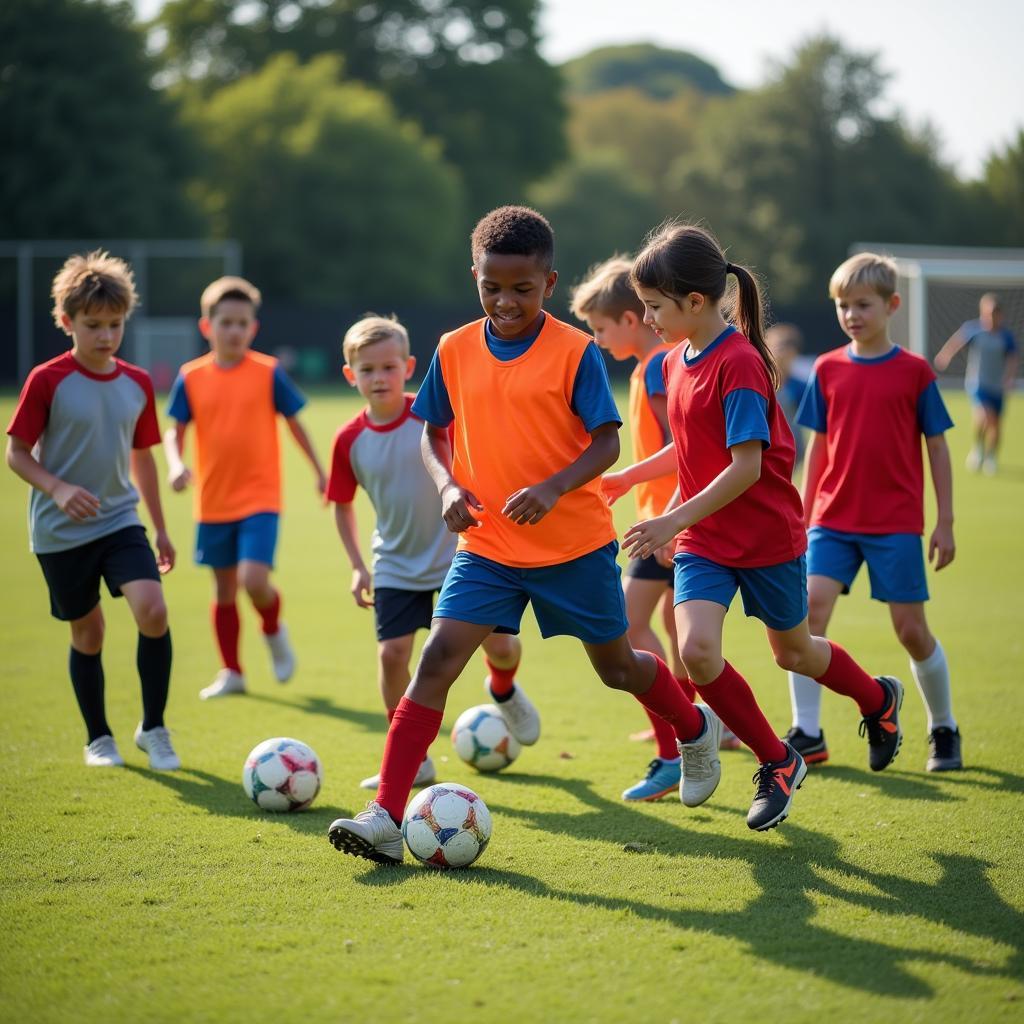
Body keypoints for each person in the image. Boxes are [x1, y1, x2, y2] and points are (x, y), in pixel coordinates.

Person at [328, 205, 719, 864]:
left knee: (617, 667)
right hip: (488, 547)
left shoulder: (574, 351)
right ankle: (386, 815)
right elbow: (433, 432)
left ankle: (692, 726)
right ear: (474, 276)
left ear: (550, 282)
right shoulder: (453, 349)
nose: (506, 301)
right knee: (436, 662)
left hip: (573, 546)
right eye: (492, 287)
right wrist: (450, 487)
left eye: (523, 288)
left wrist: (552, 487)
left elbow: (604, 443)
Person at [604, 223, 905, 828]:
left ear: (694, 301)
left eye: (656, 307)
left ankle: (878, 699)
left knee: (794, 653)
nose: (648, 317)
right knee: (695, 650)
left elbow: (743, 469)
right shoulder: (676, 361)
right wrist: (628, 478)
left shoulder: (738, 363)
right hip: (704, 542)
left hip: (766, 539)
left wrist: (669, 519)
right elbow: (693, 452)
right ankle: (777, 759)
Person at [328, 313, 527, 790]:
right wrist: (358, 566)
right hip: (394, 564)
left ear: (409, 366)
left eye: (389, 367)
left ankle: (504, 687)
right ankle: (410, 758)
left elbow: (474, 462)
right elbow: (341, 506)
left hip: (460, 556)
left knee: (499, 646)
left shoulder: (433, 419)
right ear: (350, 375)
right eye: (368, 369)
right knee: (393, 655)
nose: (380, 378)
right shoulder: (347, 439)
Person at [570, 256, 740, 802]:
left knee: (629, 626)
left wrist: (667, 518)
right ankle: (702, 723)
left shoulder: (665, 366)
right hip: (665, 518)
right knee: (677, 636)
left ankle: (678, 742)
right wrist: (628, 481)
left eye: (600, 329)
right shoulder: (651, 367)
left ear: (630, 319)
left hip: (672, 520)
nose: (597, 341)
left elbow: (690, 452)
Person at [5, 251, 180, 770]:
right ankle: (98, 737)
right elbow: (15, 453)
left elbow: (143, 458)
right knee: (89, 632)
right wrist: (57, 489)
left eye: (115, 325)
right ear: (66, 322)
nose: (106, 336)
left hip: (120, 519)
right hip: (60, 530)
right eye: (93, 325)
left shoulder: (138, 382)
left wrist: (162, 530)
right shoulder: (46, 380)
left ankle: (154, 728)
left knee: (153, 609)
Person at [787, 253, 961, 772]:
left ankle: (944, 728)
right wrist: (802, 510)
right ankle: (809, 731)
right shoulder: (827, 367)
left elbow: (938, 447)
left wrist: (945, 520)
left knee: (910, 629)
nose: (852, 314)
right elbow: (817, 446)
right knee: (804, 618)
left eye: (863, 304)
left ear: (892, 305)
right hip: (831, 521)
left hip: (895, 525)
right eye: (843, 305)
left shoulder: (914, 371)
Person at [164, 276, 327, 699]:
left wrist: (318, 471)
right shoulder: (190, 377)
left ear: (253, 328)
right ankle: (232, 672)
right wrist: (176, 464)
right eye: (226, 322)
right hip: (213, 500)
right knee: (222, 589)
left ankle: (273, 631)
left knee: (253, 580)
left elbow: (296, 424)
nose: (234, 330)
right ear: (208, 327)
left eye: (242, 323)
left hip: (260, 497)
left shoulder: (268, 372)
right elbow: (174, 431)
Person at [934, 292, 1018, 475]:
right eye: (986, 314)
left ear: (999, 315)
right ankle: (978, 449)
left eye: (993, 314)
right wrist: (945, 356)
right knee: (984, 416)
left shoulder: (1006, 336)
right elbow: (956, 341)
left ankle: (991, 456)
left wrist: (1008, 377)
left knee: (996, 424)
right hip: (978, 383)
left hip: (998, 386)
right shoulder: (974, 330)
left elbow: (1012, 358)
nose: (989, 318)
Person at [765, 323, 808, 469]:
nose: (781, 354)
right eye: (777, 348)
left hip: (792, 446)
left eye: (786, 349)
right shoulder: (759, 382)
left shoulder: (800, 386)